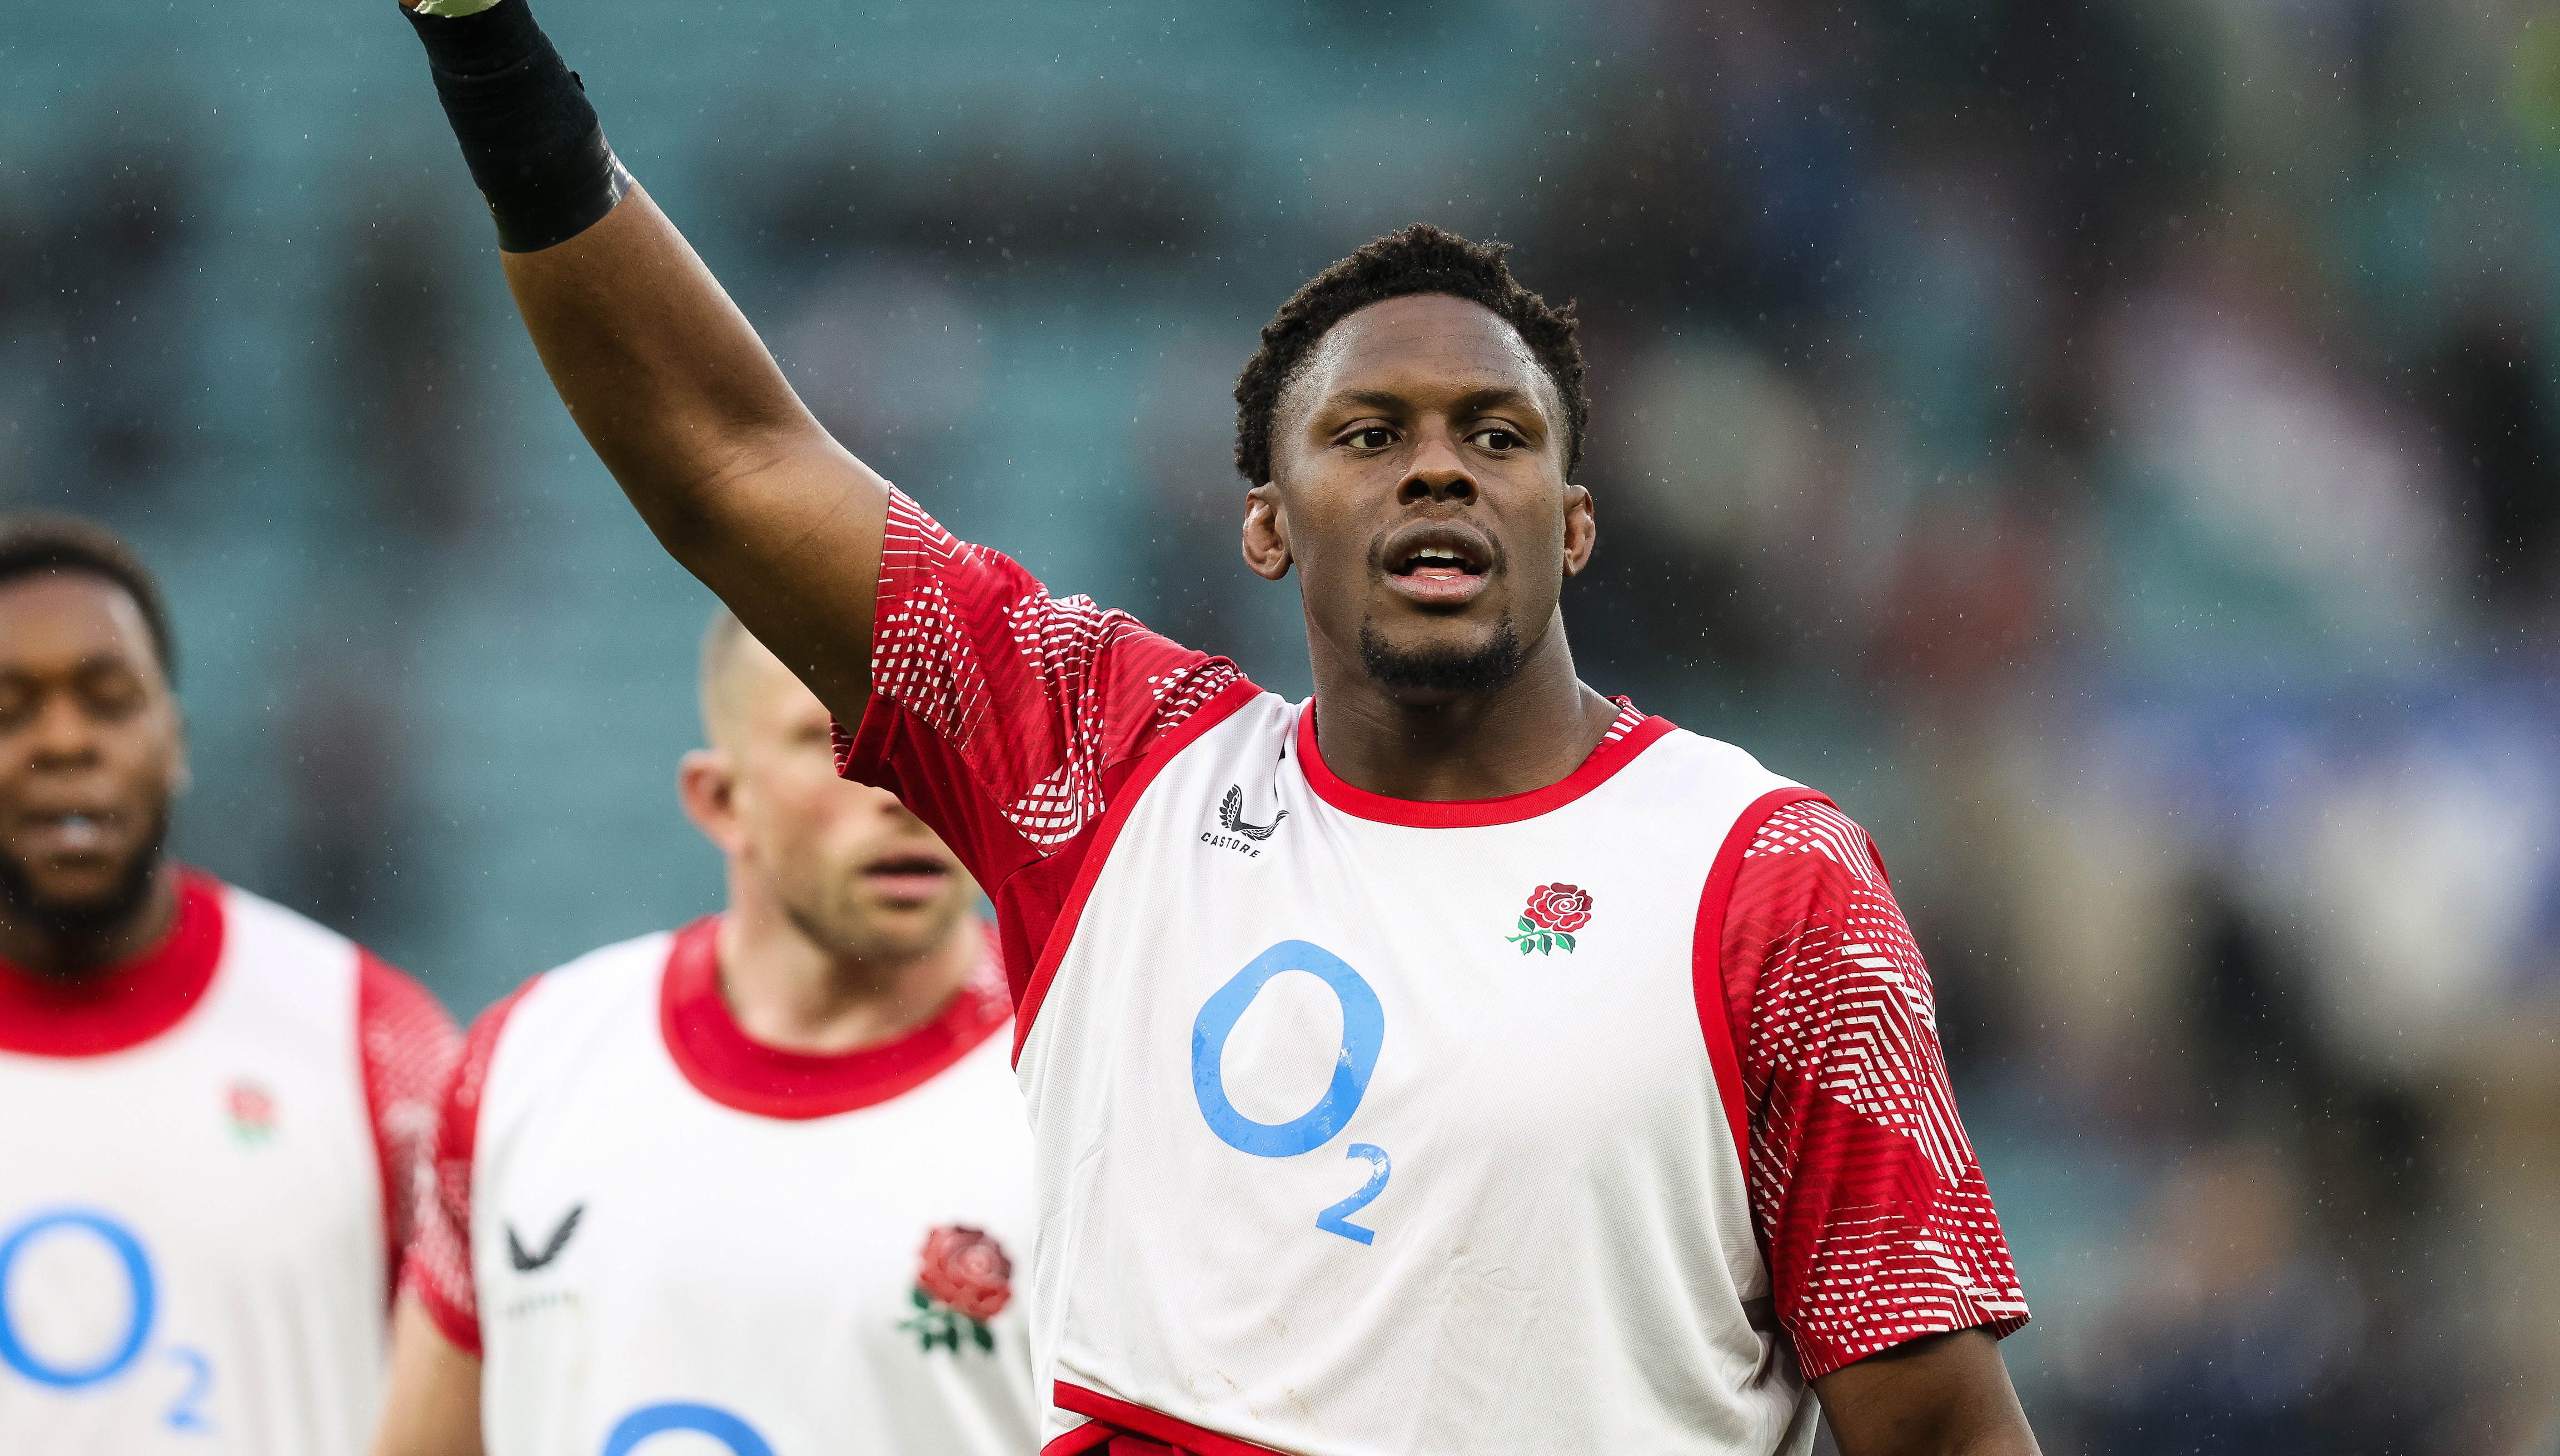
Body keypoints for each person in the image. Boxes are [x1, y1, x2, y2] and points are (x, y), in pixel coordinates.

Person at [388, 4, 2040, 1451]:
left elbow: (1940, 1426)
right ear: (1265, 523)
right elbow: (731, 460)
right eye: (1366, 432)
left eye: (1496, 433)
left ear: (1575, 517)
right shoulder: (1106, 779)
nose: (1437, 466)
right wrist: (486, 45)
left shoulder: (1766, 877)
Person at [370, 609, 1035, 1456]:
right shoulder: (530, 1060)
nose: (905, 788)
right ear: (720, 800)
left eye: (940, 736)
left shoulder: (1094, 1081)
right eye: (841, 740)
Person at [0, 511, 458, 1454]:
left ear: (177, 738)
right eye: (8, 710)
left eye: (109, 697)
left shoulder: (369, 1035)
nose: (63, 742)